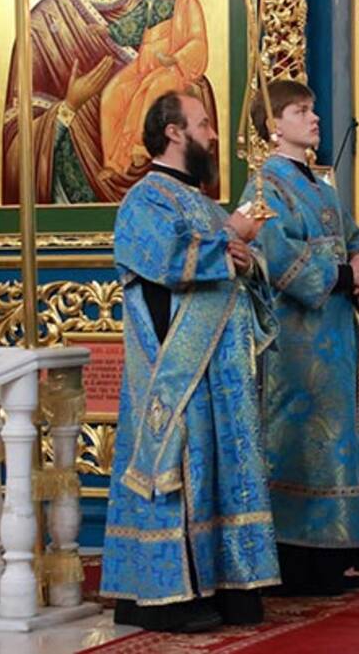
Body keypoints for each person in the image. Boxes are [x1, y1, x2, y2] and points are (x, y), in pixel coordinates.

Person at [101, 91, 279, 632]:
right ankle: (164, 596)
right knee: (178, 470)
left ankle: (228, 584)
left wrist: (248, 259)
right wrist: (229, 245)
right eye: (203, 124)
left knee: (222, 473)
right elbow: (166, 260)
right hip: (176, 371)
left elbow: (240, 269)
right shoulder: (143, 201)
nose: (213, 134)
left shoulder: (204, 203)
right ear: (174, 132)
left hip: (223, 373)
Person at [244, 79, 359, 596]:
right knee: (304, 444)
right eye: (300, 111)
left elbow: (354, 242)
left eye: (312, 108)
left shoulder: (322, 188)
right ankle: (300, 560)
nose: (314, 118)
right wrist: (348, 276)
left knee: (341, 439)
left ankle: (338, 554)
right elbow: (278, 257)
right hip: (296, 342)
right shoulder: (264, 187)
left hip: (337, 334)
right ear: (273, 125)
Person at [0, 0, 219, 205]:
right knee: (118, 91)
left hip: (165, 202)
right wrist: (69, 107)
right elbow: (13, 141)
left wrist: (182, 79)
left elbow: (195, 73)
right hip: (71, 204)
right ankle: (117, 159)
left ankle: (135, 148)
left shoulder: (163, 6)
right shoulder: (43, 24)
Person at [100, 0, 210, 175]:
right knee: (113, 93)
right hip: (144, 64)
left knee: (152, 90)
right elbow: (133, 24)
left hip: (174, 68)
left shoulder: (188, 2)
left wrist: (177, 58)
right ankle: (112, 161)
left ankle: (138, 149)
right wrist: (108, 30)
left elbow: (198, 41)